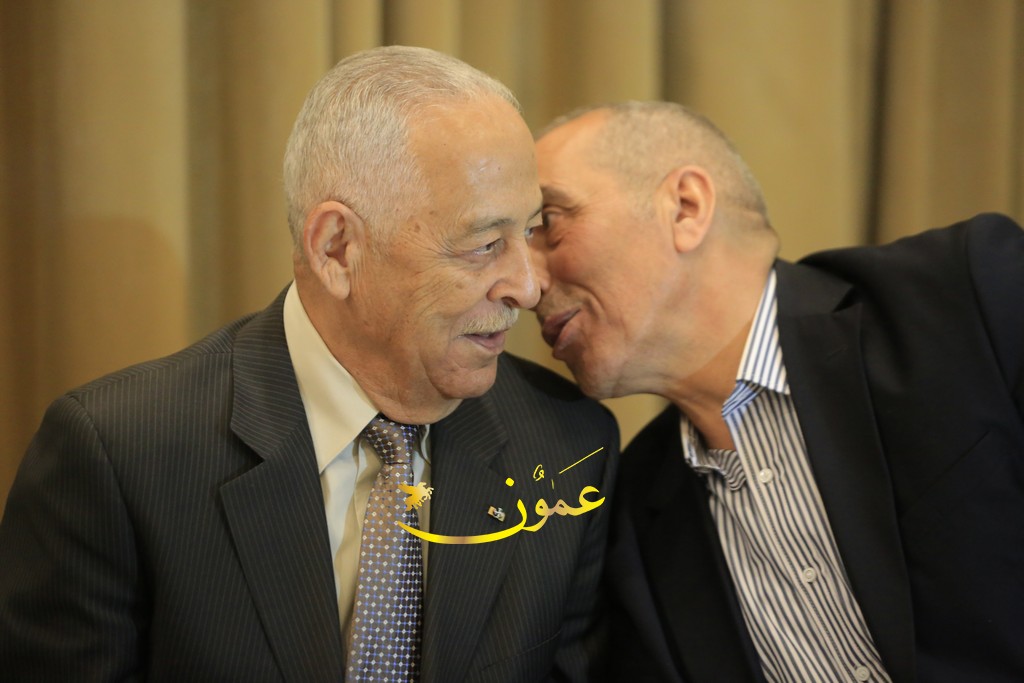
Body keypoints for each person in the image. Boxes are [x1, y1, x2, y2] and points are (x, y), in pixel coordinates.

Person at [0, 46, 619, 682]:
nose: (527, 287)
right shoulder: (120, 454)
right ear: (337, 248)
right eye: (485, 244)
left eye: (530, 231)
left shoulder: (568, 450)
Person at [529, 100, 1024, 682]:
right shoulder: (633, 519)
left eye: (548, 224)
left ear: (686, 207)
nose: (525, 282)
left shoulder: (966, 297)